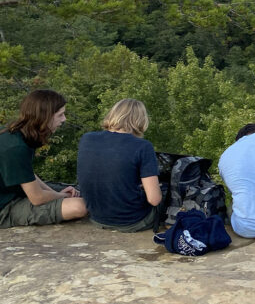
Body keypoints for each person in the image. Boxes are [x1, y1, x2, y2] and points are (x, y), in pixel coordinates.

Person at [0, 89, 87, 228]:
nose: (64, 119)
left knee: (75, 194)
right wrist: (61, 196)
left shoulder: (16, 133)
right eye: (60, 115)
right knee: (79, 205)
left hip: (12, 193)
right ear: (44, 117)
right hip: (4, 208)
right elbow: (37, 198)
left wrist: (54, 193)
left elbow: (26, 173)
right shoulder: (16, 147)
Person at [77, 98, 163, 232]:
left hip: (97, 217)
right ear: (141, 120)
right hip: (131, 221)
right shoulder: (143, 147)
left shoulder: (87, 138)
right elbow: (154, 200)